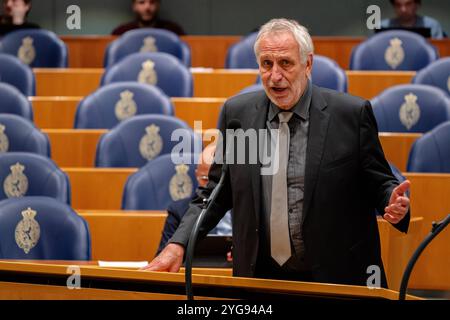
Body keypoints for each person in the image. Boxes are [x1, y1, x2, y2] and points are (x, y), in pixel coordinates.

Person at [143, 18, 411, 288]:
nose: (275, 76)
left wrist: (392, 200)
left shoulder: (350, 115)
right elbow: (215, 192)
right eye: (266, 64)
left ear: (308, 64)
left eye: (285, 63)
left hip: (337, 277)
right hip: (262, 278)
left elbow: (379, 182)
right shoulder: (239, 115)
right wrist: (178, 244)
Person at [156, 143, 232, 255]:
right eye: (206, 179)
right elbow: (163, 257)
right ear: (196, 175)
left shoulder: (250, 209)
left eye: (221, 180)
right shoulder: (179, 211)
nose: (215, 187)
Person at [112, 0, 184, 36]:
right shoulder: (121, 32)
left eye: (152, 2)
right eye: (142, 2)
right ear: (134, 6)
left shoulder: (173, 31)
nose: (147, 7)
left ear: (158, 5)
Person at [381, 0, 446, 39]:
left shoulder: (431, 25)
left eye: (408, 4)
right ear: (394, 6)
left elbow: (439, 53)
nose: (403, 10)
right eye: (398, 5)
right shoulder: (383, 26)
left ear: (417, 5)